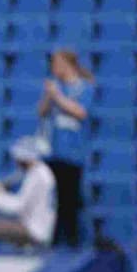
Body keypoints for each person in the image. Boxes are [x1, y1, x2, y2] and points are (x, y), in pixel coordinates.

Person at [37, 48, 93, 246]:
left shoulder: (84, 88)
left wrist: (57, 96)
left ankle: (72, 243)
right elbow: (41, 112)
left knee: (69, 201)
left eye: (56, 63)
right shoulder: (55, 88)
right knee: (52, 202)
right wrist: (49, 95)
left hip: (72, 154)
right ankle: (52, 243)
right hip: (54, 152)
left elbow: (80, 112)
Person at [0, 136, 57, 248]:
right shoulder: (41, 171)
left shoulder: (36, 175)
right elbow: (13, 181)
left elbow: (18, 206)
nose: (16, 162)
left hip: (34, 230)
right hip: (36, 227)